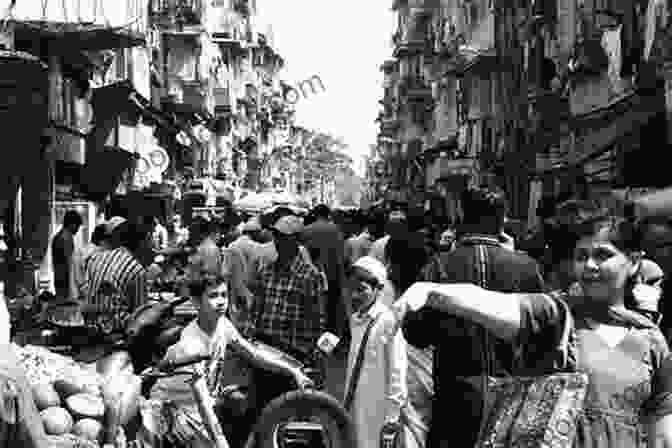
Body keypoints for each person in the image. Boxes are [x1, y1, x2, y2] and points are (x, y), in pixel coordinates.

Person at [398, 202, 672, 448]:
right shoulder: (557, 316)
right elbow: (500, 305)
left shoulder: (651, 340)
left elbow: (662, 427)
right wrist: (432, 292)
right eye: (581, 256)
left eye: (602, 255)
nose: (589, 265)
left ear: (634, 262)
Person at [148, 272, 313, 448]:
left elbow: (254, 354)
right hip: (177, 409)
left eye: (224, 295)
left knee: (239, 400)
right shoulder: (192, 345)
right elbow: (202, 402)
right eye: (212, 296)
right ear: (196, 302)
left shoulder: (223, 325)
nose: (221, 302)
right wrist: (220, 442)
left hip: (203, 403)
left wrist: (293, 370)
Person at [343, 256, 407, 448]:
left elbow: (397, 369)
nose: (354, 295)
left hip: (378, 410)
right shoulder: (356, 320)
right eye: (351, 289)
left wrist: (393, 416)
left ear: (378, 290)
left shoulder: (387, 321)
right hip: (355, 405)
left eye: (361, 290)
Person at [385, 232, 433, 448]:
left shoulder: (390, 303)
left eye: (390, 263)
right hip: (425, 385)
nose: (387, 269)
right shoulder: (434, 298)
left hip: (408, 387)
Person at [80, 218, 148, 337]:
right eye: (148, 242)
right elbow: (141, 318)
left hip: (87, 330)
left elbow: (87, 293)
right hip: (115, 336)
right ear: (141, 244)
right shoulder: (137, 270)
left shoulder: (95, 259)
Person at [301, 204, 348, 346]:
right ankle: (328, 345)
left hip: (312, 277)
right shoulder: (337, 230)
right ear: (328, 215)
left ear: (315, 215)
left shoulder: (306, 231)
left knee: (312, 311)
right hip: (334, 276)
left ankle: (313, 341)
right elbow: (343, 256)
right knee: (332, 313)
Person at [70, 223, 107, 301]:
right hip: (89, 299)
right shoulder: (99, 255)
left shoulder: (80, 251)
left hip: (77, 298)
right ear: (104, 240)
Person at [52, 210, 83, 299]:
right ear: (71, 224)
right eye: (77, 226)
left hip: (59, 280)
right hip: (66, 283)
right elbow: (70, 263)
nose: (77, 229)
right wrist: (75, 287)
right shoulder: (66, 238)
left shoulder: (58, 236)